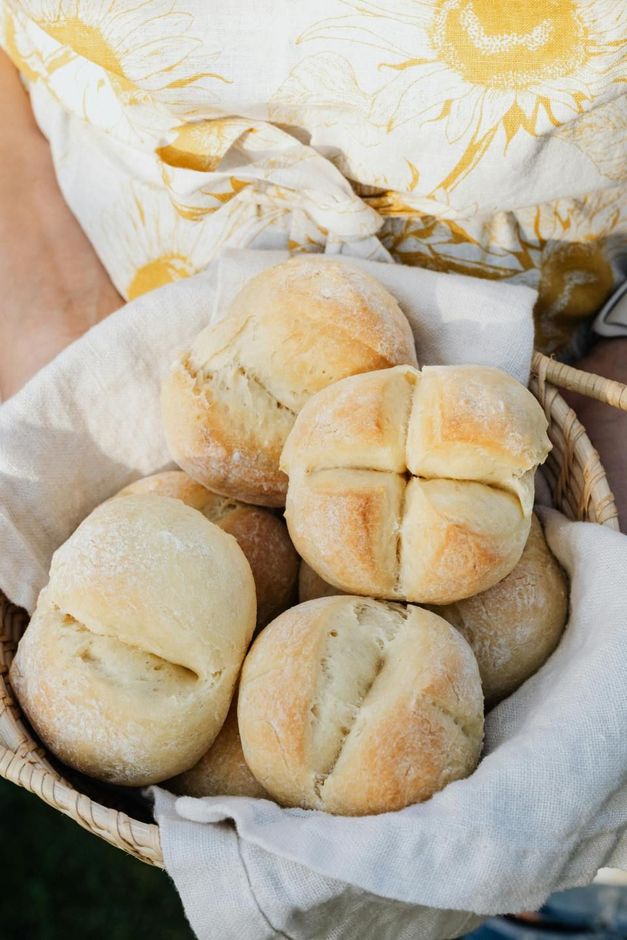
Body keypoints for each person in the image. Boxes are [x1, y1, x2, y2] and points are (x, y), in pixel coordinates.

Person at [0, 10, 625, 935]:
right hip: (109, 279)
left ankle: (545, 879)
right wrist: (38, 286)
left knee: (560, 817)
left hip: (576, 345)